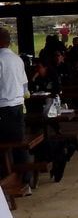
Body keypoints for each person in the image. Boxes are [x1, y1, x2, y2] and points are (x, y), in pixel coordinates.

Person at [0, 28, 32, 196]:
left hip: (3, 107)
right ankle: (25, 183)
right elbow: (25, 86)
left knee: (3, 146)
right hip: (19, 106)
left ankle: (5, 181)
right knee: (19, 145)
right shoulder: (17, 59)